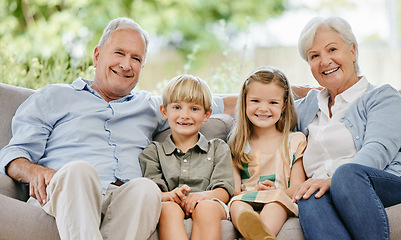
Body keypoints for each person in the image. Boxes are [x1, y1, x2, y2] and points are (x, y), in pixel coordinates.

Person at [0, 17, 231, 240]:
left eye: (136, 58)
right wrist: (36, 172)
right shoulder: (54, 96)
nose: (126, 64)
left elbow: (206, 103)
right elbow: (13, 155)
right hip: (70, 192)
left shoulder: (149, 107)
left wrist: (261, 97)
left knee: (145, 189)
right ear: (97, 55)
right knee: (80, 171)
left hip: (123, 200)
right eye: (119, 53)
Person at [293, 16, 401, 240]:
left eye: (332, 49)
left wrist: (332, 180)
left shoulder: (382, 97)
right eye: (314, 56)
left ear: (352, 51)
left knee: (345, 174)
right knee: (308, 194)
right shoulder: (309, 106)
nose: (325, 61)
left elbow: (377, 150)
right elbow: (263, 103)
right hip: (332, 191)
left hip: (395, 184)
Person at [139, 74, 234, 240]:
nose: (185, 115)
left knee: (206, 209)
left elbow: (224, 191)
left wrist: (203, 196)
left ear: (206, 114)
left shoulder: (218, 148)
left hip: (209, 202)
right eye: (177, 107)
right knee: (167, 208)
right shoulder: (153, 152)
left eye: (194, 109)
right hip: (171, 204)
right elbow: (153, 192)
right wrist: (170, 195)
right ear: (164, 111)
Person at [228, 66, 307, 240]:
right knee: (236, 205)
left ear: (284, 105)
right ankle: (254, 230)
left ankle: (259, 235)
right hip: (247, 198)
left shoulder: (294, 141)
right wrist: (256, 191)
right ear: (245, 102)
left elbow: (297, 188)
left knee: (275, 202)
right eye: (255, 101)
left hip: (278, 198)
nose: (263, 108)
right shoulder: (237, 144)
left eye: (272, 103)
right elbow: (234, 192)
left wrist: (274, 192)